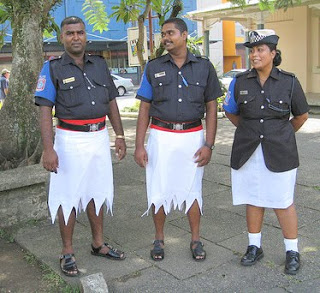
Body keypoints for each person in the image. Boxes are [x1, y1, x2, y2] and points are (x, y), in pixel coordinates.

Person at [34, 16, 127, 277]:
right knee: (68, 196)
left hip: (98, 138)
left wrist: (119, 135)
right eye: (70, 33)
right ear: (62, 38)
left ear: (86, 36)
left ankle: (98, 243)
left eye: (80, 32)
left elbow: (111, 101)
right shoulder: (52, 68)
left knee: (97, 192)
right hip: (69, 140)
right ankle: (67, 251)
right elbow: (44, 109)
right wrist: (48, 148)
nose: (76, 37)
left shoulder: (99, 64)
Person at [134, 17, 222, 261]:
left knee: (193, 189)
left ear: (184, 35)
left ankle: (195, 239)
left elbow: (211, 107)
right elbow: (144, 107)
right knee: (158, 188)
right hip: (161, 137)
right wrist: (139, 145)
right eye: (163, 34)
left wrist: (209, 144)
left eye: (170, 33)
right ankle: (159, 239)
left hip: (193, 137)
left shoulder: (204, 67)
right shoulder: (153, 67)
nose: (166, 38)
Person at [223, 29, 309, 275]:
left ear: (273, 53)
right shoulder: (240, 82)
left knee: (283, 201)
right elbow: (230, 110)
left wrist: (281, 133)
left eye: (260, 50)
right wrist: (249, 130)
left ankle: (292, 251)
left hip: (280, 151)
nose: (254, 55)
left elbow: (301, 115)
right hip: (248, 150)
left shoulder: (289, 82)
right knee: (253, 198)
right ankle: (254, 247)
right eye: (252, 50)